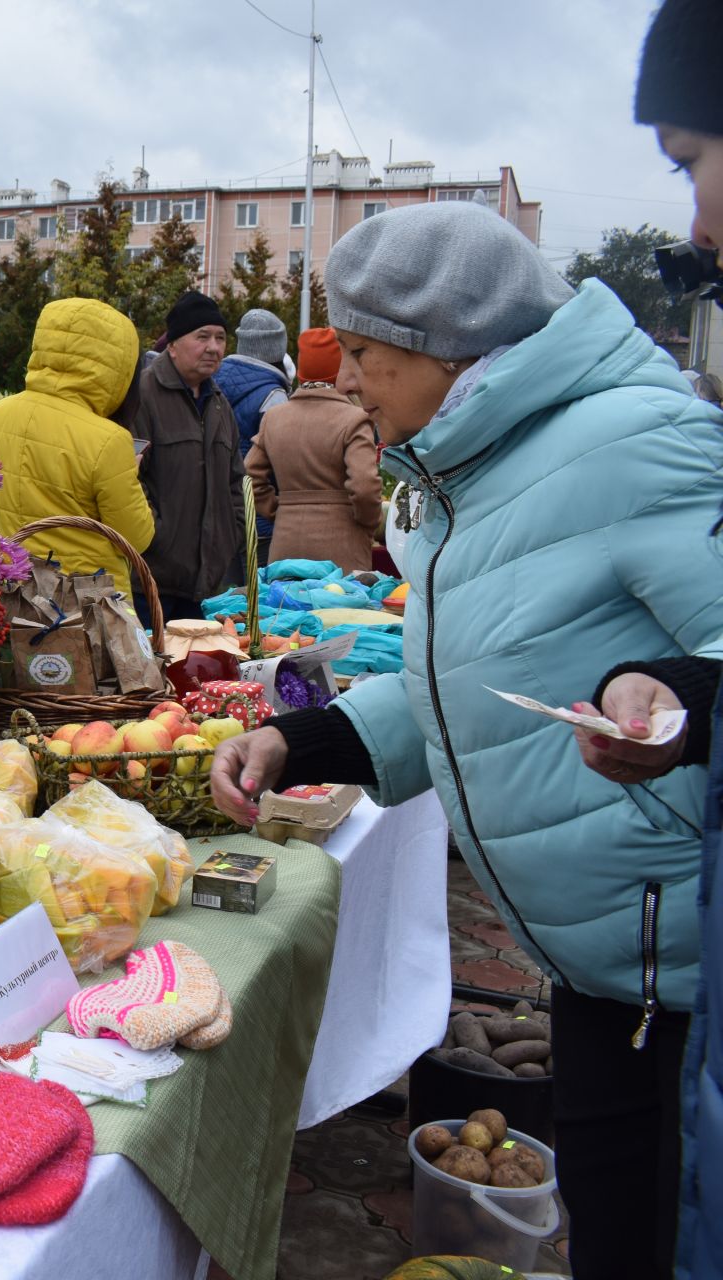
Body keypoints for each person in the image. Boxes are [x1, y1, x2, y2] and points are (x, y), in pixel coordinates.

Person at [208, 199, 723, 1280]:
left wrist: (676, 705)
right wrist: (297, 743)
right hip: (601, 967)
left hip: (678, 975)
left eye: (363, 352)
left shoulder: (639, 439)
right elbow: (464, 684)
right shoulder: (466, 470)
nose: (346, 380)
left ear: (451, 350)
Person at [575, 5, 723, 1274]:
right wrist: (678, 696)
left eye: (691, 160)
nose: (697, 224)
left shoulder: (642, 444)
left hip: (644, 947)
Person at [0, 298, 154, 598]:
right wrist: (130, 472)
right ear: (117, 368)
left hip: (17, 593)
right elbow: (135, 538)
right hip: (89, 606)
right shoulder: (109, 439)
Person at [129, 290, 244, 621]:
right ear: (174, 345)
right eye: (202, 336)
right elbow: (127, 478)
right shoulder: (143, 395)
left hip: (206, 585)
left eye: (221, 338)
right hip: (151, 581)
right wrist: (156, 535)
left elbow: (236, 480)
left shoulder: (220, 404)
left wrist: (230, 534)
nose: (214, 347)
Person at [242, 327, 382, 570]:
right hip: (342, 545)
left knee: (285, 607)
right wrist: (366, 523)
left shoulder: (274, 418)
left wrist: (280, 510)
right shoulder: (355, 419)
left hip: (286, 543)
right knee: (339, 606)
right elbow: (364, 486)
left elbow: (250, 475)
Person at [211, 307, 291, 456]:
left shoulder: (212, 375)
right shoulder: (274, 395)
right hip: (248, 478)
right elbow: (278, 455)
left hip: (213, 474)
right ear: (279, 349)